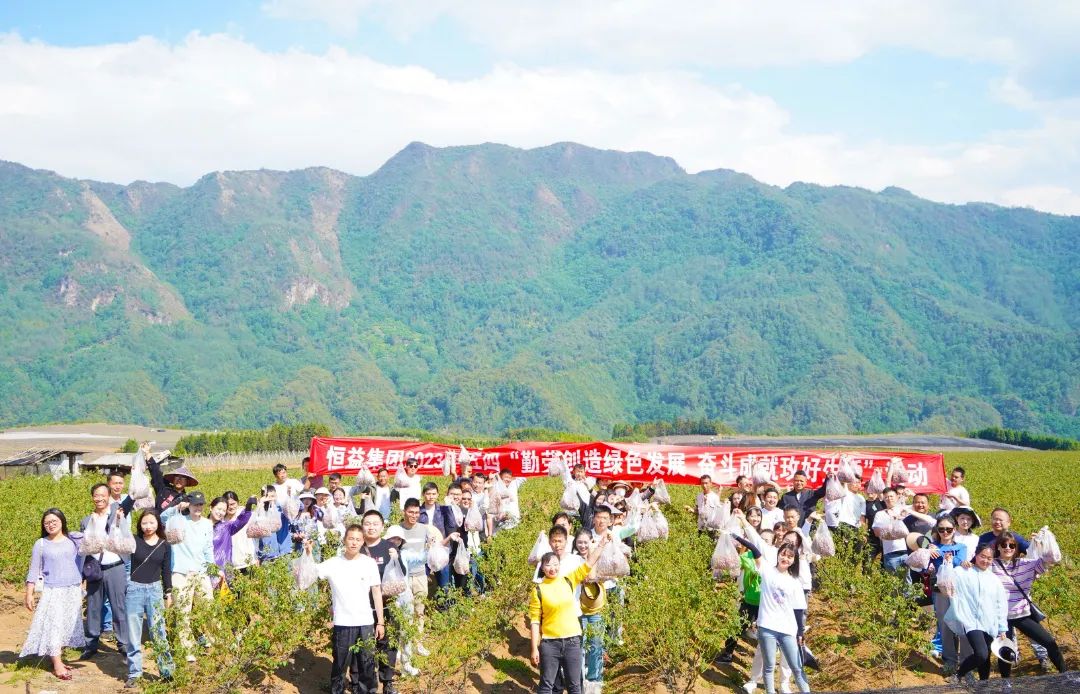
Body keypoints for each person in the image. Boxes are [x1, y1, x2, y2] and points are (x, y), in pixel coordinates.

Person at [305, 524, 385, 694]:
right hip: (343, 622)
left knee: (368, 665)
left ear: (363, 542)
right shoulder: (333, 563)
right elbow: (310, 573)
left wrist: (381, 622)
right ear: (344, 541)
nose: (354, 543)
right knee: (340, 665)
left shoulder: (369, 563)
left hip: (366, 622)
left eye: (358, 539)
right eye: (351, 539)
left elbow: (376, 592)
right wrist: (309, 553)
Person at [529, 532, 610, 694]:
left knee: (574, 686)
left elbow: (588, 564)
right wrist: (534, 648)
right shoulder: (538, 589)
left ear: (559, 564)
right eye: (548, 565)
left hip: (573, 641)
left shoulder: (569, 580)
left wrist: (601, 545)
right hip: (550, 644)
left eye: (555, 564)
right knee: (546, 686)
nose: (552, 568)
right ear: (542, 568)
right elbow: (535, 621)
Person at [20, 509, 86, 680]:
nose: (50, 524)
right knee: (54, 626)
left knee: (66, 625)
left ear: (62, 521)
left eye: (54, 520)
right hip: (53, 590)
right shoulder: (41, 544)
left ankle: (57, 657)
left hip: (72, 590)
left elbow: (86, 557)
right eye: (47, 522)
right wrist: (29, 593)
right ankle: (57, 664)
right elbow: (33, 570)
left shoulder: (73, 541)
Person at [990, 534, 1066, 677]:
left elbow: (1052, 559)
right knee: (1006, 651)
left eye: (1011, 545)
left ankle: (1064, 674)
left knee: (1049, 642)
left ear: (1016, 548)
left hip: (1022, 614)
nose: (1008, 548)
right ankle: (1006, 684)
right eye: (1004, 545)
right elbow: (974, 567)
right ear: (998, 547)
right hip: (1001, 617)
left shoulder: (1025, 563)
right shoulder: (991, 565)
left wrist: (1043, 541)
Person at [751, 540, 811, 694]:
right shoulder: (766, 570)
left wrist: (800, 633)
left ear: (794, 560)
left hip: (787, 629)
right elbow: (755, 549)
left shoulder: (794, 581)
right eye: (783, 554)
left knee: (797, 667)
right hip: (766, 627)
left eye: (790, 557)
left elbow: (798, 610)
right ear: (778, 555)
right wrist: (736, 535)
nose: (786, 558)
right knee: (769, 666)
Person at [161, 491, 214, 661]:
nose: (198, 508)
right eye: (195, 504)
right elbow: (162, 517)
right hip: (181, 572)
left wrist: (212, 568)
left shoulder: (207, 524)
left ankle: (213, 641)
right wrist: (176, 507)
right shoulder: (178, 521)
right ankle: (187, 649)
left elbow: (208, 547)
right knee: (183, 611)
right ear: (189, 505)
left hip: (201, 571)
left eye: (200, 505)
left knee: (208, 607)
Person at [124, 509, 175, 688]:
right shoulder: (134, 541)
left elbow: (166, 571)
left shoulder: (164, 545)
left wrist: (168, 592)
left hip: (154, 590)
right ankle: (134, 673)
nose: (148, 526)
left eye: (151, 522)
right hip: (134, 589)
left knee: (158, 631)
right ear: (140, 525)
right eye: (144, 523)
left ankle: (167, 671)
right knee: (133, 633)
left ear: (158, 524)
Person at [79, 482, 130, 660]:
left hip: (116, 566)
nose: (99, 498)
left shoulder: (118, 513)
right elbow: (84, 549)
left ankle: (123, 642)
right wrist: (82, 574)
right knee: (93, 607)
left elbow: (131, 498)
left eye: (103, 495)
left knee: (119, 606)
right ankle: (91, 643)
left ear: (109, 496)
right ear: (92, 497)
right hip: (95, 569)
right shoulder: (86, 520)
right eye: (96, 495)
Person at [945, 544, 1008, 683]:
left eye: (989, 558)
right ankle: (959, 674)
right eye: (982, 557)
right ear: (976, 555)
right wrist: (950, 562)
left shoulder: (994, 580)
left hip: (990, 623)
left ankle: (983, 684)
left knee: (986, 656)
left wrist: (1002, 627)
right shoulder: (963, 571)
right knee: (981, 654)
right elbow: (947, 578)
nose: (985, 561)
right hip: (971, 621)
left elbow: (1001, 604)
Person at [359, 510, 403, 694]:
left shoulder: (389, 548)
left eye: (375, 523)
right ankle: (366, 684)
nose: (371, 527)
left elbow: (402, 576)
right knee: (365, 645)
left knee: (388, 643)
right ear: (362, 526)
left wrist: (397, 559)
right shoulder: (357, 548)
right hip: (362, 605)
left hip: (387, 604)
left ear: (382, 526)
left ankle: (388, 682)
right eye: (367, 523)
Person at [388, 498, 432, 663]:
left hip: (420, 575)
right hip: (402, 578)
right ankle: (400, 646)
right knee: (403, 613)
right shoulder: (397, 530)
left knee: (419, 611)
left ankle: (417, 643)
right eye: (410, 512)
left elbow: (434, 543)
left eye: (417, 512)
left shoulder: (424, 529)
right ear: (404, 512)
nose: (414, 515)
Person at [926, 518, 969, 675]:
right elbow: (924, 564)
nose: (945, 532)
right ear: (937, 531)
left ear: (954, 530)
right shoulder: (932, 547)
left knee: (962, 623)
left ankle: (966, 661)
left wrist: (947, 557)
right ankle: (950, 660)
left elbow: (961, 562)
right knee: (944, 625)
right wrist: (927, 551)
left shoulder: (961, 547)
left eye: (949, 529)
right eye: (941, 529)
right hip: (940, 591)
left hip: (959, 591)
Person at [208, 494, 255, 578]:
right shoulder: (201, 526)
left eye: (223, 510)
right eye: (219, 509)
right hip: (208, 570)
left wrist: (248, 507)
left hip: (225, 571)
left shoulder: (226, 527)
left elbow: (240, 522)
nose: (220, 512)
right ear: (211, 508)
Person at [872, 487, 911, 572]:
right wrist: (891, 533)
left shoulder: (904, 510)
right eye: (886, 497)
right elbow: (876, 532)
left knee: (908, 581)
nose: (889, 499)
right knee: (893, 581)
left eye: (891, 496)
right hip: (890, 553)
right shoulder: (880, 514)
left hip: (906, 552)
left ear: (897, 496)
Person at [224, 491, 259, 575]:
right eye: (228, 505)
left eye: (233, 504)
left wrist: (261, 506)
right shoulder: (221, 520)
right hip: (232, 565)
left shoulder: (247, 514)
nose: (230, 507)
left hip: (249, 561)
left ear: (238, 503)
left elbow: (259, 533)